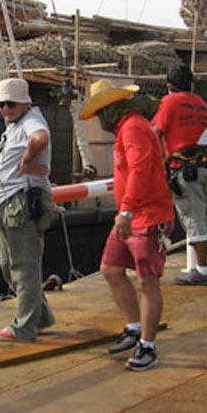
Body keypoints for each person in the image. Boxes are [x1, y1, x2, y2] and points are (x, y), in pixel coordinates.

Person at [80, 79, 173, 371]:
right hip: (131, 214)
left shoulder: (132, 127)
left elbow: (140, 168)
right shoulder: (127, 128)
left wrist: (128, 211)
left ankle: (148, 346)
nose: (99, 120)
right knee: (111, 269)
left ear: (112, 109)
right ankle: (135, 327)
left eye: (101, 113)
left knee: (147, 281)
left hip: (147, 215)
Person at [0, 77, 56, 342]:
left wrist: (27, 159)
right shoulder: (15, 124)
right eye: (2, 105)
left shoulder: (30, 121)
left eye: (11, 104)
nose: (5, 109)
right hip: (7, 202)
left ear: (25, 102)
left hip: (20, 202)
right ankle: (41, 316)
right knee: (8, 265)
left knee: (24, 267)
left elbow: (41, 137)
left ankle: (24, 327)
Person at [151, 66, 207, 285]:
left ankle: (201, 271)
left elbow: (155, 132)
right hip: (206, 167)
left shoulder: (169, 103)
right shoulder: (201, 104)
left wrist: (157, 163)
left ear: (169, 85)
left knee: (194, 221)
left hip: (184, 169)